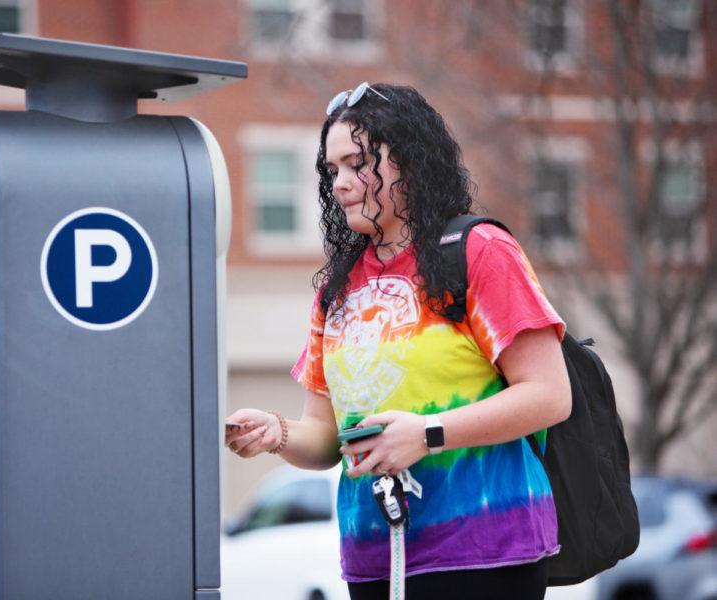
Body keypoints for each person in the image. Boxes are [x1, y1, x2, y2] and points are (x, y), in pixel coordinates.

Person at [225, 82, 571, 600]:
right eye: (332, 170)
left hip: (486, 551)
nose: (341, 184)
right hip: (373, 560)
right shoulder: (336, 289)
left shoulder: (479, 251)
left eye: (357, 163)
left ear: (407, 160)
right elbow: (326, 439)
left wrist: (428, 433)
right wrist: (273, 432)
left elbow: (549, 395)